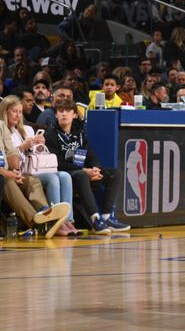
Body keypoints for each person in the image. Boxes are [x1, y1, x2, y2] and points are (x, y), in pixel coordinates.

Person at [44, 99, 129, 234]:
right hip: (65, 174)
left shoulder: (79, 133)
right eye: (61, 111)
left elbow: (90, 154)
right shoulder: (51, 134)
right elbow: (57, 163)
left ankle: (107, 216)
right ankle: (95, 218)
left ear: (75, 114)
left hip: (81, 170)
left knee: (115, 173)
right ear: (56, 115)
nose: (64, 114)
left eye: (68, 111)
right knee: (82, 175)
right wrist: (84, 170)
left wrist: (95, 168)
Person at [0, 96, 78, 236]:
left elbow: (11, 153)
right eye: (14, 111)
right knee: (7, 182)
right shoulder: (5, 126)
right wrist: (8, 172)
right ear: (4, 111)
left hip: (17, 171)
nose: (18, 115)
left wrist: (15, 170)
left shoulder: (3, 127)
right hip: (5, 175)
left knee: (33, 181)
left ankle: (47, 212)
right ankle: (40, 223)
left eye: (20, 112)